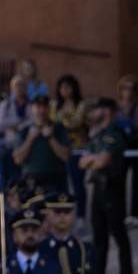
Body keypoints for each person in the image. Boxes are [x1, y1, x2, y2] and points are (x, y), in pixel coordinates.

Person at [80, 98, 134, 274]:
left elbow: (103, 160)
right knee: (99, 234)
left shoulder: (114, 133)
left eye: (98, 109)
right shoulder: (98, 135)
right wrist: (94, 159)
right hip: (98, 188)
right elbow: (82, 162)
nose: (94, 113)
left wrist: (94, 160)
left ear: (107, 111)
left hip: (112, 188)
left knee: (118, 233)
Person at [11, 95, 70, 191]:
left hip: (55, 179)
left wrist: (51, 138)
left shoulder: (59, 128)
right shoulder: (24, 130)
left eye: (45, 107)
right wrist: (30, 139)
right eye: (38, 107)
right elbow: (17, 159)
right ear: (32, 108)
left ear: (49, 108)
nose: (42, 110)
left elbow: (65, 156)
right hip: (31, 179)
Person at [51, 74, 88, 215]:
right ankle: (64, 214)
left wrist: (62, 119)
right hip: (60, 149)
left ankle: (81, 215)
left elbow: (76, 122)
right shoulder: (55, 105)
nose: (64, 90)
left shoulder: (81, 105)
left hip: (78, 149)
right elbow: (53, 123)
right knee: (62, 185)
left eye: (68, 87)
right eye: (62, 87)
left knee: (78, 183)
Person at [116, 75, 138, 224]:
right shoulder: (117, 106)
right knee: (119, 181)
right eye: (125, 88)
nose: (128, 92)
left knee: (137, 180)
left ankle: (136, 214)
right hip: (122, 146)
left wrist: (126, 124)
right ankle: (120, 214)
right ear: (121, 90)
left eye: (132, 89)